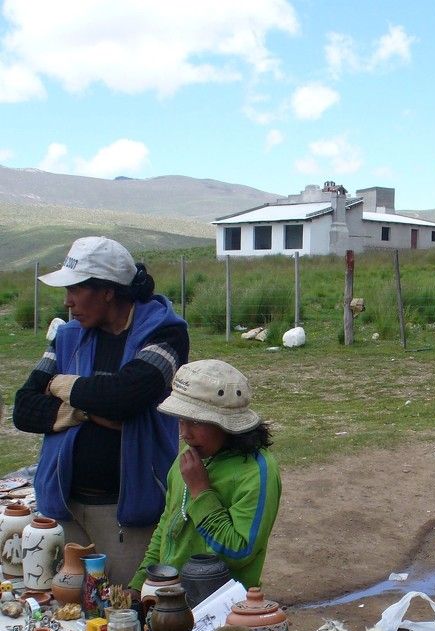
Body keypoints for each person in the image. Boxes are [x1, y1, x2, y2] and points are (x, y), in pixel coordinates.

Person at [13, 236, 189, 584]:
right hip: (64, 504)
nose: (68, 301)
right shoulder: (68, 336)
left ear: (108, 291)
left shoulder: (165, 333)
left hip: (128, 512)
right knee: (68, 615)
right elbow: (24, 407)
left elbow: (126, 397)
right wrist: (83, 412)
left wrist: (63, 386)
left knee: (128, 609)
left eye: (76, 289)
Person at [129, 359, 281, 592]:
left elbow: (240, 551)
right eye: (181, 419)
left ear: (227, 423)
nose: (184, 433)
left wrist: (201, 492)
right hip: (170, 598)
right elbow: (167, 525)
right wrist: (142, 581)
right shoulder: (191, 455)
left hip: (221, 609)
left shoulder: (257, 471)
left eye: (197, 422)